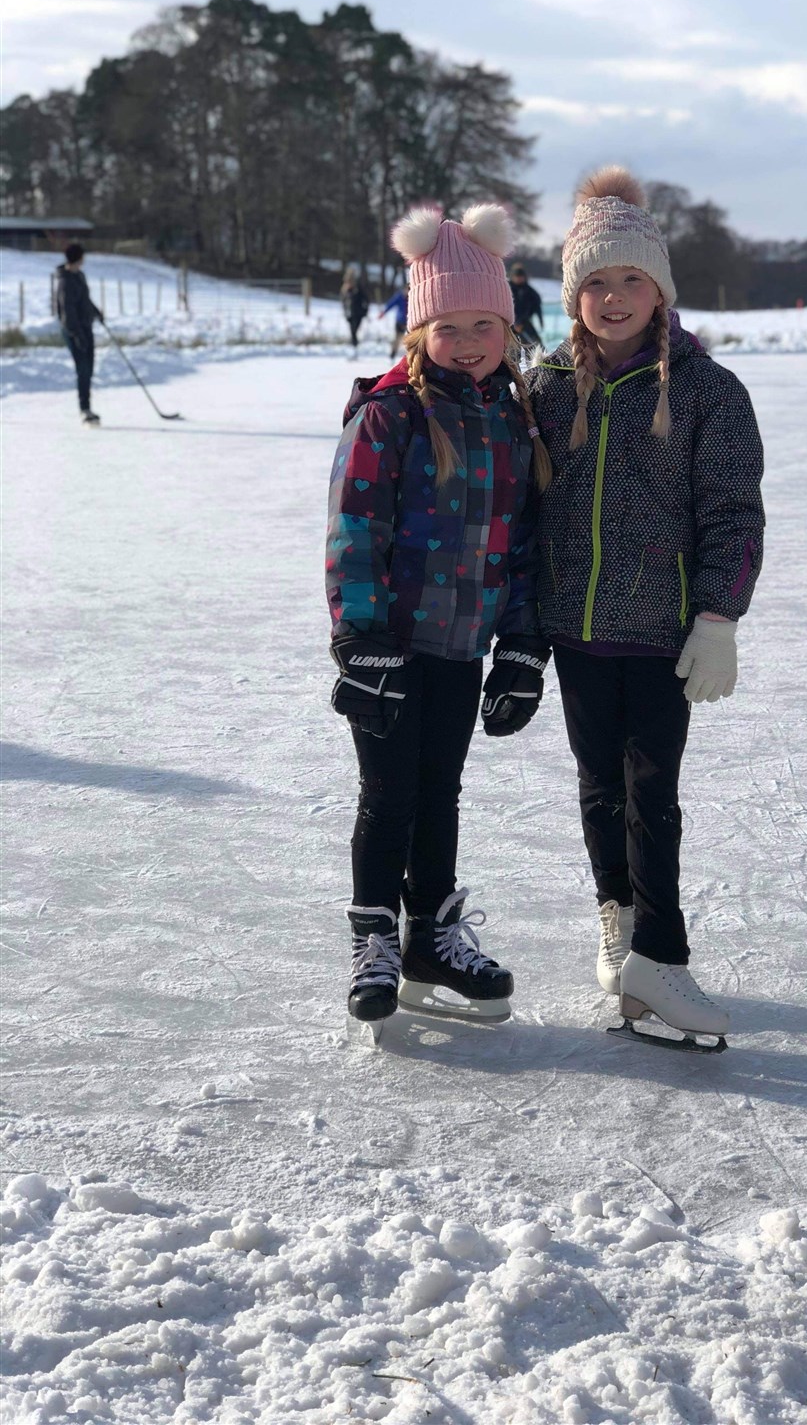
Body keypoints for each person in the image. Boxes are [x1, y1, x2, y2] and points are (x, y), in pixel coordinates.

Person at [526, 166, 764, 1049]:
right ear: (573, 294)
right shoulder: (546, 387)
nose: (613, 297)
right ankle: (618, 921)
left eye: (631, 279)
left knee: (651, 791)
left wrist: (718, 616)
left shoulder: (708, 391)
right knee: (598, 784)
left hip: (662, 632)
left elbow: (734, 514)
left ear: (660, 289)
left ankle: (661, 953)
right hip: (575, 630)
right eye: (595, 281)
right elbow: (523, 507)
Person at [326, 202, 553, 1037]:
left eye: (483, 324)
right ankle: (375, 938)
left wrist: (523, 646)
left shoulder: (512, 418)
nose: (467, 341)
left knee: (442, 794)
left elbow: (527, 541)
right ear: (418, 330)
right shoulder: (389, 416)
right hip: (393, 649)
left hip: (463, 648)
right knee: (389, 796)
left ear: (508, 325)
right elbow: (355, 530)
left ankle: (432, 936)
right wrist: (361, 643)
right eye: (447, 325)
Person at [54, 242, 104, 425]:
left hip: (86, 327)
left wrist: (96, 312)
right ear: (78, 258)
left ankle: (87, 407)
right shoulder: (65, 281)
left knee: (89, 368)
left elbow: (85, 300)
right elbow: (67, 312)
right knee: (82, 369)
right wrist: (76, 335)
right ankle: (84, 409)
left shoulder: (79, 276)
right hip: (74, 331)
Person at [509, 262, 544, 350]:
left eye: (520, 277)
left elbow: (535, 305)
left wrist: (521, 322)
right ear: (513, 277)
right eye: (517, 276)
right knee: (511, 347)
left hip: (524, 322)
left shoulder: (529, 291)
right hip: (509, 322)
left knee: (536, 345)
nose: (519, 279)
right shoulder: (507, 288)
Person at [340, 264, 369, 352]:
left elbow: (366, 300)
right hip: (350, 313)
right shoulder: (345, 291)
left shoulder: (358, 289)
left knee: (354, 330)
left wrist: (365, 311)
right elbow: (344, 302)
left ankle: (354, 347)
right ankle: (354, 347)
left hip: (358, 313)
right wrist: (345, 311)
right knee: (352, 331)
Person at [378, 283, 409, 360]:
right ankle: (393, 354)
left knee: (411, 339)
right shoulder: (399, 297)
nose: (408, 292)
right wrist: (384, 312)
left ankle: (411, 356)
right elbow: (391, 304)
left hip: (410, 322)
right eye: (407, 290)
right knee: (397, 338)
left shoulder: (413, 297)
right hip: (400, 321)